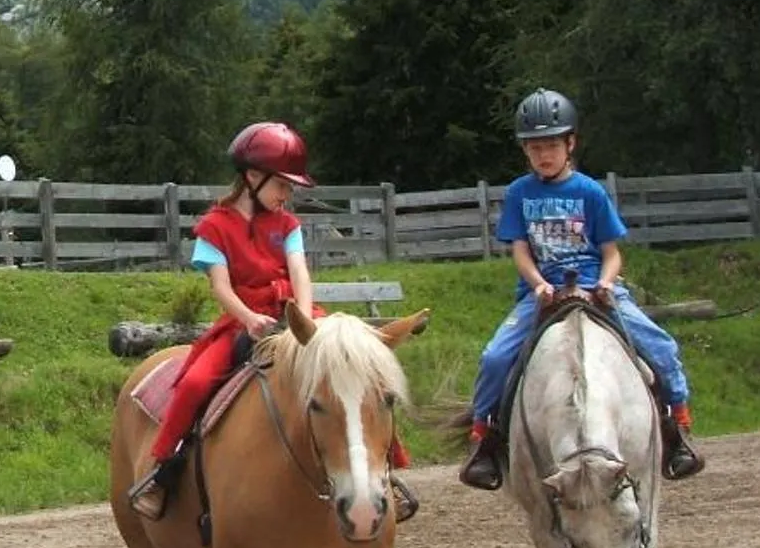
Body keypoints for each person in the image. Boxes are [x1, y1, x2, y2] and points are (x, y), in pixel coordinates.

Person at [126, 120, 426, 519]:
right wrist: (249, 318)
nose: (288, 194)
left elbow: (299, 271)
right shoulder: (213, 227)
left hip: (299, 317)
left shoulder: (288, 225)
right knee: (195, 382)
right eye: (282, 184)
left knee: (359, 374)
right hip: (244, 321)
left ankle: (390, 470)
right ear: (252, 176)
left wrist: (305, 317)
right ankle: (164, 468)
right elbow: (221, 287)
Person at [459, 89, 704, 490]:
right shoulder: (521, 193)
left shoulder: (589, 191)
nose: (544, 155)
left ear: (570, 143)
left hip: (595, 286)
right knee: (494, 356)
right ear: (525, 151)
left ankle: (677, 427)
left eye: (552, 145)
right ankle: (485, 440)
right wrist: (537, 285)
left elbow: (612, 253)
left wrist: (606, 283)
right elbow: (520, 251)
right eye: (535, 148)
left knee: (660, 345)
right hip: (543, 293)